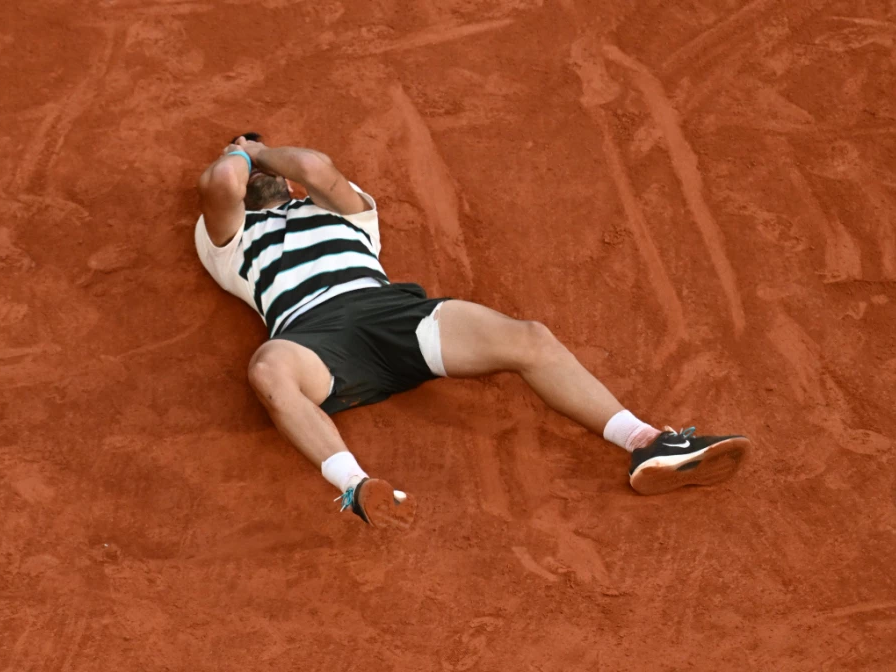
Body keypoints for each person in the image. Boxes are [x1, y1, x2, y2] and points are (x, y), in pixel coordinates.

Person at [194, 133, 750, 529]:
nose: (258, 174)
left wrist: (257, 151)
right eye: (253, 174)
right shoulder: (228, 243)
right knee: (268, 368)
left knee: (528, 336)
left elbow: (314, 168)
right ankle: (357, 487)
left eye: (267, 169)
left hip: (390, 312)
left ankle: (646, 443)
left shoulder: (348, 213)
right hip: (312, 338)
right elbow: (222, 182)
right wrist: (240, 153)